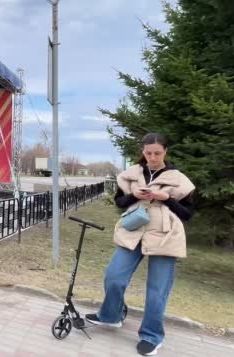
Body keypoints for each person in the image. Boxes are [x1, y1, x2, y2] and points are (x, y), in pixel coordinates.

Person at [86, 132, 195, 356]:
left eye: (157, 153)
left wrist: (167, 199)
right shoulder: (131, 175)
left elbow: (187, 214)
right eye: (148, 153)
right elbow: (120, 202)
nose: (152, 157)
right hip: (133, 231)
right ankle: (111, 316)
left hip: (165, 236)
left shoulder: (179, 180)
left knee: (157, 290)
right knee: (114, 277)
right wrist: (135, 195)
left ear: (166, 151)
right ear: (142, 152)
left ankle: (152, 336)